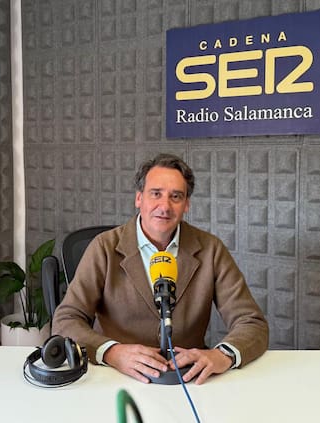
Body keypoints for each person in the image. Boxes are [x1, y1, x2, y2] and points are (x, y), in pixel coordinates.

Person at [52, 153, 269, 384]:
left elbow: (252, 323)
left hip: (187, 378)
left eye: (176, 196)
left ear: (186, 204)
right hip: (116, 377)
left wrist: (222, 355)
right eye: (155, 194)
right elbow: (66, 320)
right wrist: (110, 353)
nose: (165, 206)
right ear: (139, 198)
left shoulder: (210, 249)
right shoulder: (104, 247)